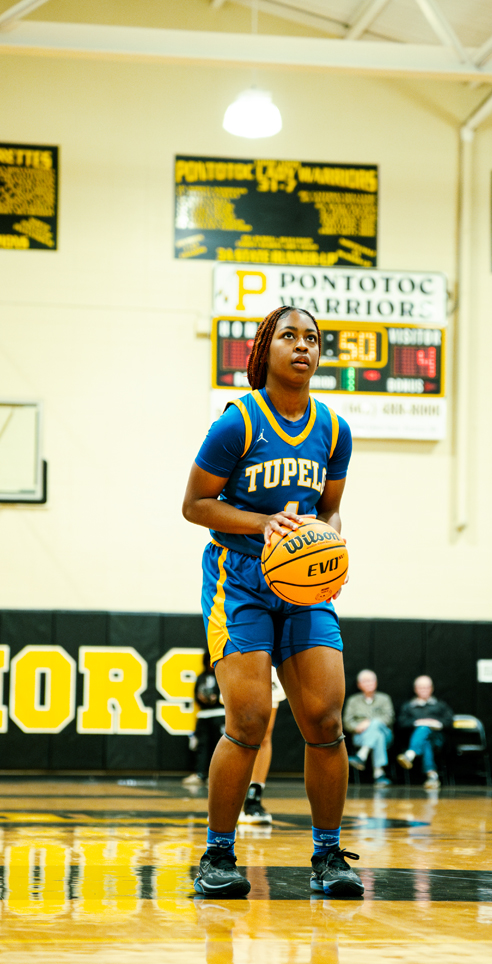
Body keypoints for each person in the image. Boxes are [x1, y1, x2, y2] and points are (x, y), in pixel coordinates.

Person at [182, 305, 363, 899]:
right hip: (239, 582)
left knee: (325, 720)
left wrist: (330, 544)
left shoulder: (334, 431)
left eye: (312, 338)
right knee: (250, 719)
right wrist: (265, 525)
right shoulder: (238, 423)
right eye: (290, 336)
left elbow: (330, 508)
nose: (303, 346)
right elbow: (196, 506)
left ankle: (329, 854)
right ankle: (217, 854)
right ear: (267, 348)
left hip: (304, 587)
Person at [238, 665, 287, 824]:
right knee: (237, 733)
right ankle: (227, 800)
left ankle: (253, 798)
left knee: (265, 734)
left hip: (269, 661)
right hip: (239, 657)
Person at [396, 675, 453, 789]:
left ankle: (410, 754)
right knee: (425, 738)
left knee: (426, 729)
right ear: (415, 689)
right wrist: (418, 722)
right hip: (415, 739)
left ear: (431, 688)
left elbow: (449, 721)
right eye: (421, 687)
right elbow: (401, 723)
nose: (424, 690)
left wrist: (434, 723)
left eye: (426, 687)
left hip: (438, 739)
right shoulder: (408, 706)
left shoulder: (440, 705)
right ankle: (432, 775)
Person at [343, 670, 395, 786]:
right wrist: (357, 727)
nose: (368, 683)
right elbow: (347, 722)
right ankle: (379, 773)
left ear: (376, 682)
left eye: (371, 680)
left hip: (386, 734)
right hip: (360, 736)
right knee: (377, 735)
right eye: (365, 681)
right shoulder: (353, 701)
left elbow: (389, 718)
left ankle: (362, 755)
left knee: (376, 725)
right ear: (359, 684)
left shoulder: (384, 699)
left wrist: (369, 722)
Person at [183, 650, 225, 787]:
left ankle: (218, 776)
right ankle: (200, 773)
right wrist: (202, 699)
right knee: (202, 746)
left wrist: (215, 698)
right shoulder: (201, 677)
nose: (210, 665)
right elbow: (196, 695)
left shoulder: (222, 675)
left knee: (220, 746)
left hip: (219, 714)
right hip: (204, 715)